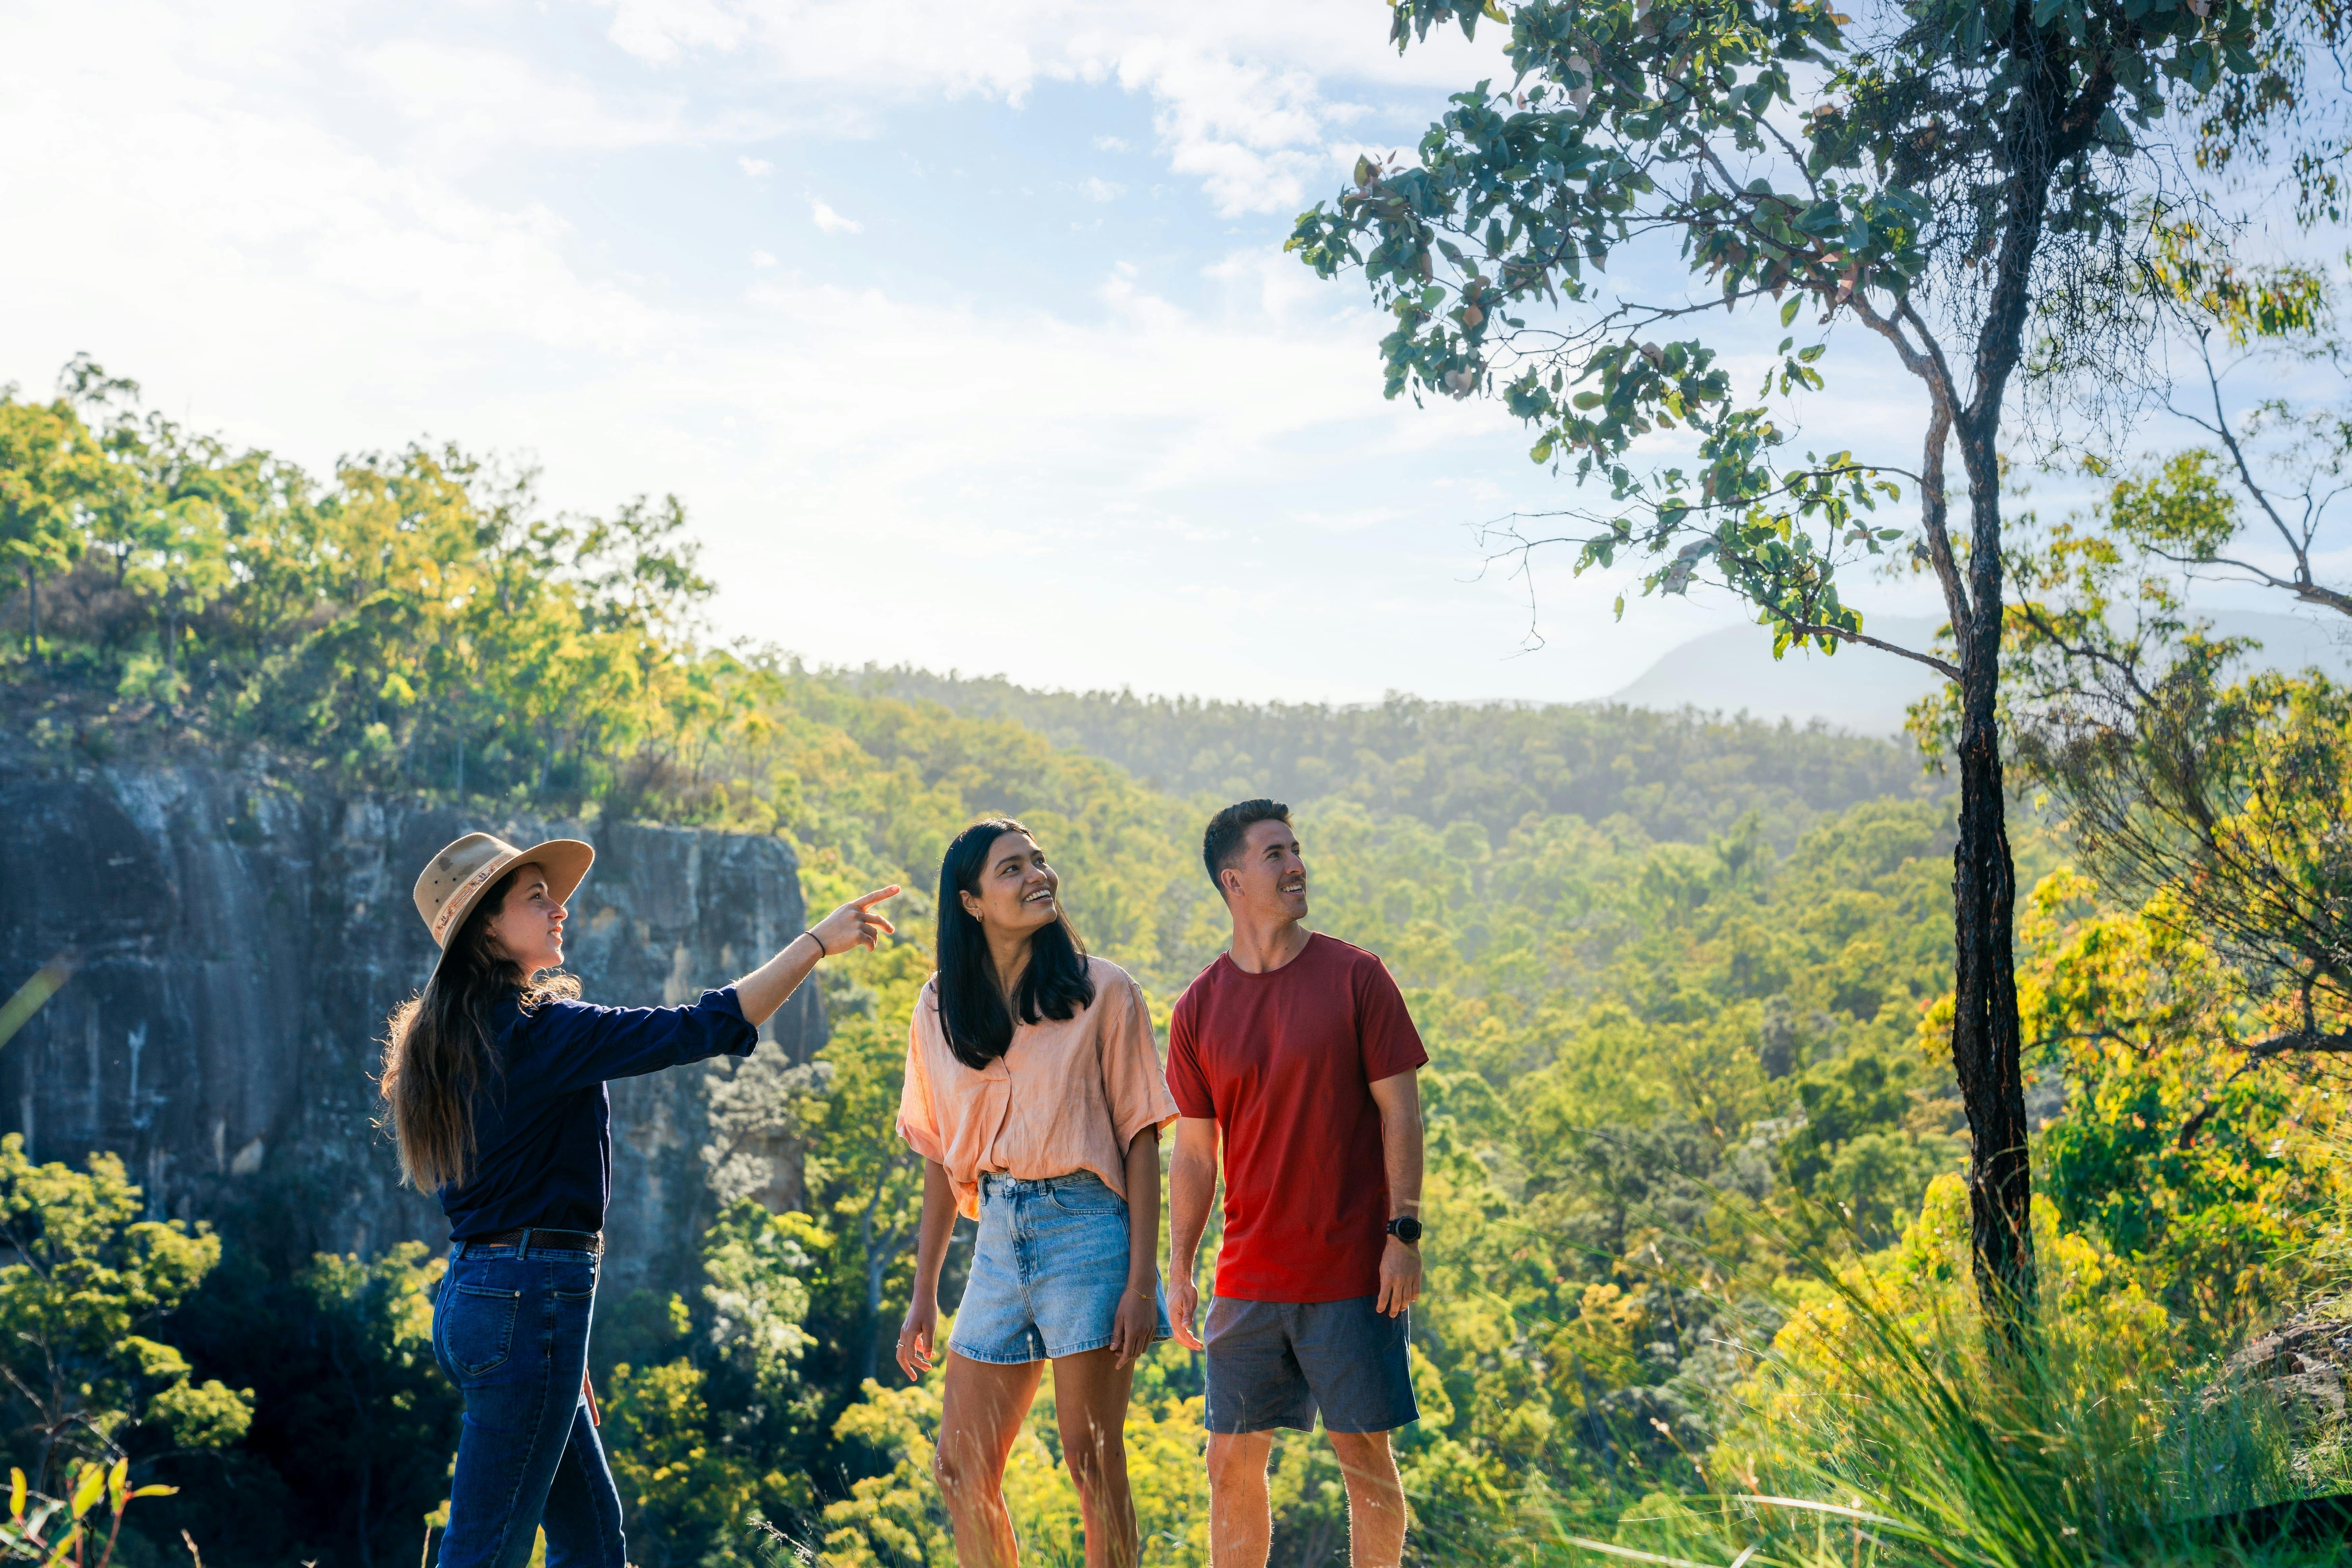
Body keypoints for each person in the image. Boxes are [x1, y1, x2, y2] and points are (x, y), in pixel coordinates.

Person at [380, 830, 898, 1568]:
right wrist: (814, 944)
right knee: (484, 1551)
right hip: (527, 1309)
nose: (559, 908)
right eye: (536, 898)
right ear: (486, 928)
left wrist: (558, 1339)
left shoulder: (456, 1037)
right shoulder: (542, 1033)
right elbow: (704, 1025)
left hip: (493, 1302)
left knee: (592, 1536)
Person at [893, 818, 1180, 1568]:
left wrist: (1141, 1282)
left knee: (1092, 1463)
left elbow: (1144, 1138)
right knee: (960, 1470)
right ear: (972, 902)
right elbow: (935, 1152)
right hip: (994, 1240)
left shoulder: (1104, 991)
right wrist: (924, 1290)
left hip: (1087, 1230)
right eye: (1012, 869)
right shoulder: (938, 1006)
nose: (1037, 876)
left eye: (1040, 862)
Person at [1164, 800, 1428, 1568]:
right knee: (1228, 1465)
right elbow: (1192, 1154)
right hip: (1246, 1281)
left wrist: (1403, 1233)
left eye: (1297, 849)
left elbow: (1402, 1118)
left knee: (1366, 1465)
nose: (1295, 865)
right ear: (1234, 880)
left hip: (1351, 1272)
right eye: (1275, 854)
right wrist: (1179, 1269)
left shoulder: (1357, 977)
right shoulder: (1198, 1007)